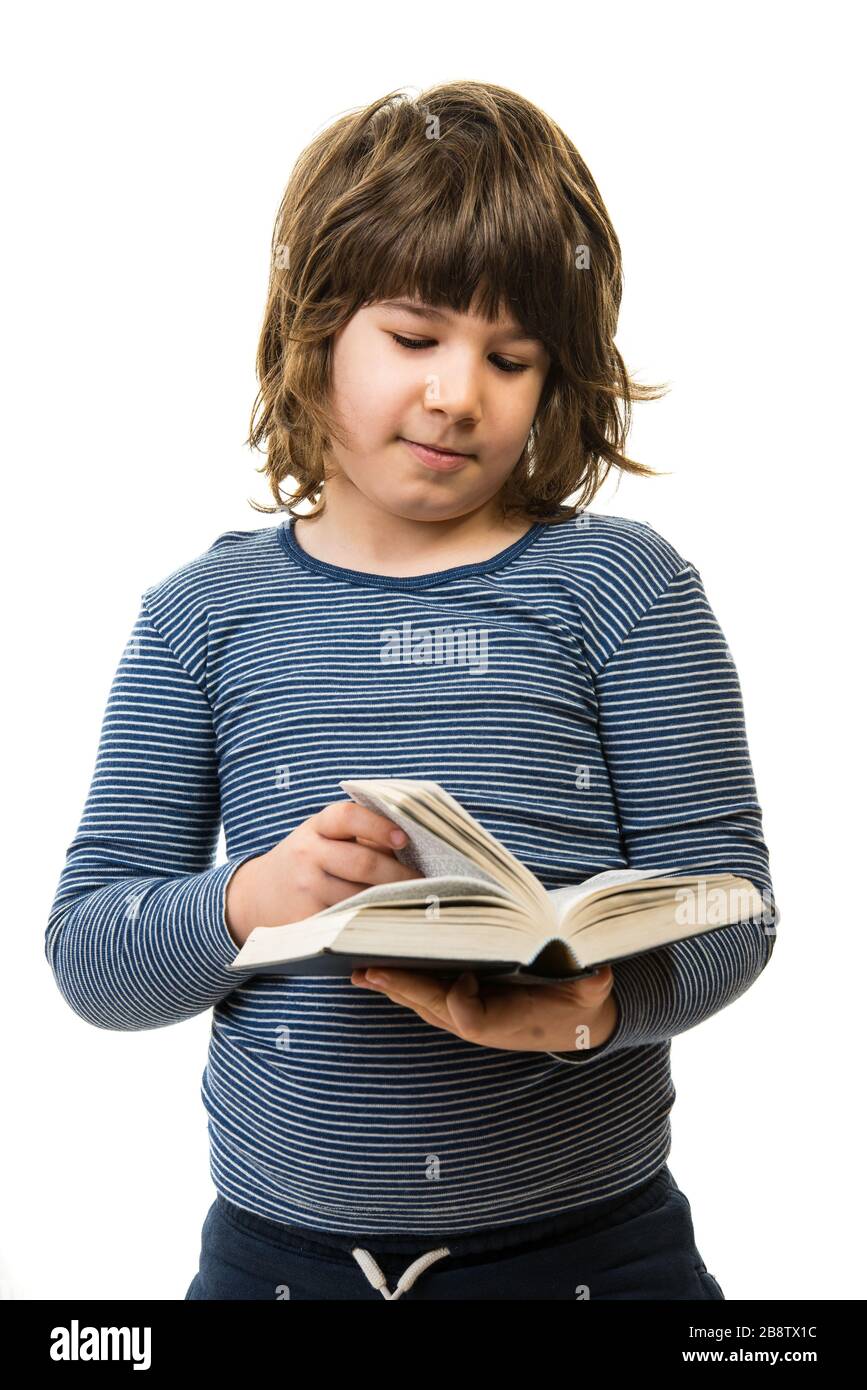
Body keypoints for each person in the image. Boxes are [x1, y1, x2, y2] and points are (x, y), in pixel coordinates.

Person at [45, 79, 776, 1301]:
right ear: (315, 325)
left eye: (512, 355)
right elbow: (89, 955)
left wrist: (596, 1007)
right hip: (277, 1268)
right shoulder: (199, 616)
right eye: (415, 334)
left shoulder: (627, 590)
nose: (457, 393)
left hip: (599, 1258)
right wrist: (257, 900)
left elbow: (738, 912)